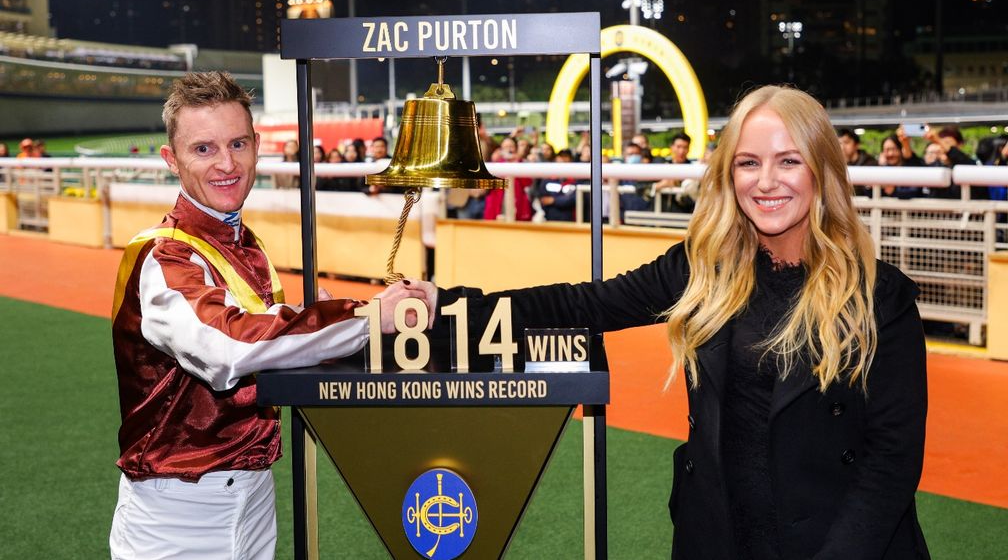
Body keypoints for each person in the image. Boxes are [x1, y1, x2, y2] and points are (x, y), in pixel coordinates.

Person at [411, 85, 929, 559]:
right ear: (729, 174)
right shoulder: (700, 269)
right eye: (748, 162)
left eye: (788, 161)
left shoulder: (880, 297)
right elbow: (582, 305)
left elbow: (891, 462)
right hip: (718, 537)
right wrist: (444, 306)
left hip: (838, 544)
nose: (766, 181)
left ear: (821, 169)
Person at [108, 71, 422, 560]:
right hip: (178, 506)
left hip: (252, 492)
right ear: (172, 160)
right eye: (204, 149)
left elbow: (261, 328)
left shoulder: (244, 244)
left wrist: (307, 317)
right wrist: (362, 318)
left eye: (237, 144)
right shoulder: (164, 257)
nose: (227, 164)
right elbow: (227, 348)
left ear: (257, 145)